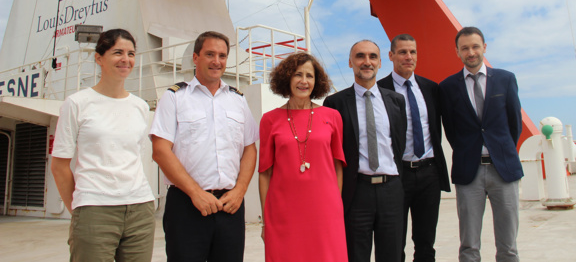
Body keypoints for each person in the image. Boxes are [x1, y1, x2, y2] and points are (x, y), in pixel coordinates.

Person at [149, 31, 258, 262]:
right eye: (210, 54)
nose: (216, 61)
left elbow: (249, 148)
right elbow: (160, 151)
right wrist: (196, 193)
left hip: (230, 206)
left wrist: (239, 191)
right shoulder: (175, 97)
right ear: (196, 57)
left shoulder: (238, 100)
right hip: (187, 206)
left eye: (222, 55)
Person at [51, 28, 156, 262]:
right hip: (94, 207)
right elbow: (59, 166)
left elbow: (134, 157)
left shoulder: (140, 106)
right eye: (117, 52)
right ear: (99, 58)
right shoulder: (77, 104)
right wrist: (79, 208)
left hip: (140, 207)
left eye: (131, 53)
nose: (125, 60)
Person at [439, 26, 523, 262]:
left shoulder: (505, 80)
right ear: (457, 52)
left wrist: (501, 151)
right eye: (465, 48)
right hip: (469, 172)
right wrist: (470, 152)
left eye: (475, 46)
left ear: (484, 48)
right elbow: (451, 131)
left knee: (508, 245)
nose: (471, 52)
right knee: (469, 245)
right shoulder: (448, 87)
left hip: (503, 170)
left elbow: (514, 124)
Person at [259, 52, 347, 262]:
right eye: (298, 75)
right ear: (287, 77)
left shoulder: (332, 117)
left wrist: (336, 206)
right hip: (283, 212)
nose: (304, 81)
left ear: (317, 82)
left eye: (310, 76)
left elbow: (338, 166)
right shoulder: (269, 120)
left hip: (325, 210)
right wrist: (265, 221)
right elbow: (264, 173)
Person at [323, 39, 407, 262]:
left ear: (380, 62)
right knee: (354, 256)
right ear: (350, 62)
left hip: (392, 190)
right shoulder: (335, 104)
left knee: (392, 255)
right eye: (360, 56)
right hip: (356, 192)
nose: (366, 62)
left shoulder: (397, 101)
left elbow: (398, 145)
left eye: (372, 57)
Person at [377, 34, 450, 262]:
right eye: (402, 52)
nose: (408, 57)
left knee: (426, 242)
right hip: (397, 176)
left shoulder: (431, 88)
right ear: (391, 56)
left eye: (413, 52)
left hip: (429, 173)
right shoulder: (379, 90)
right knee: (393, 242)